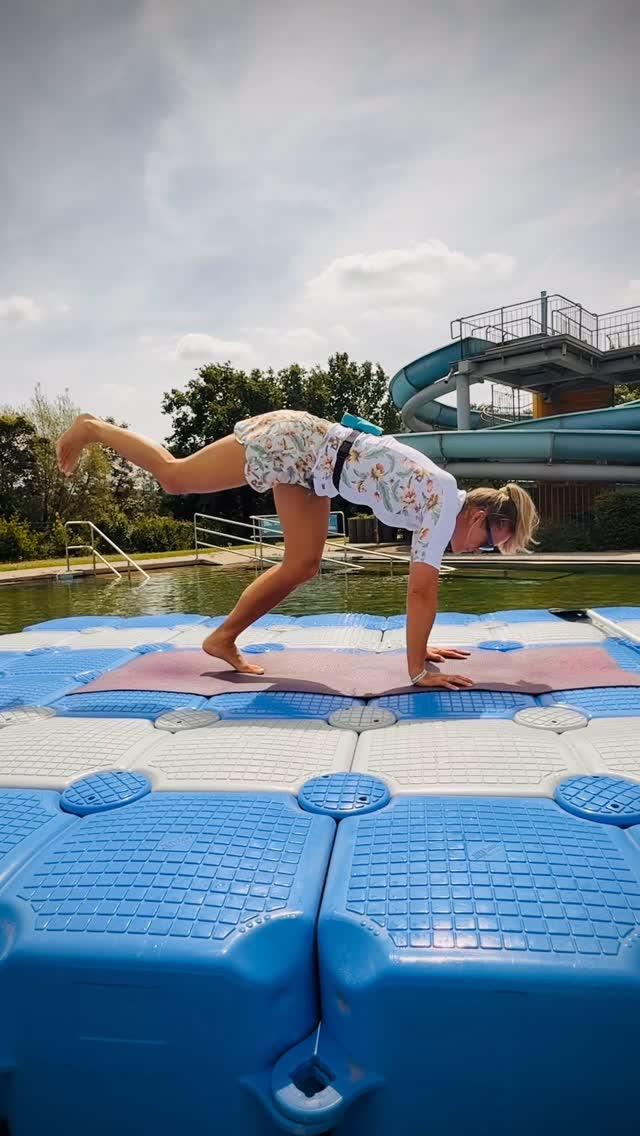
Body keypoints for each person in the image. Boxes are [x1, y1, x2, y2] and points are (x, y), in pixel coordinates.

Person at [56, 408, 538, 689]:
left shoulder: (438, 501)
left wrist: (422, 648)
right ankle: (93, 428)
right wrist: (418, 671)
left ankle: (221, 639)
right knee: (176, 477)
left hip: (314, 471)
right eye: (491, 545)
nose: (479, 553)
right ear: (478, 518)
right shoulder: (440, 500)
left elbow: (420, 593)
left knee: (303, 564)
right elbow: (421, 594)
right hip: (298, 444)